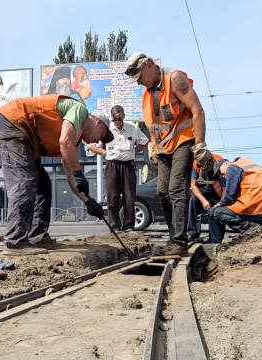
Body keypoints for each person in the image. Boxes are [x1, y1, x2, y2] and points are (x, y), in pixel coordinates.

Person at [0, 94, 114, 255]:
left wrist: (88, 201)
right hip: (13, 123)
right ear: (99, 123)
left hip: (26, 137)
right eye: (101, 136)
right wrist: (79, 173)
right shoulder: (80, 110)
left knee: (43, 185)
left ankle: (37, 237)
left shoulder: (75, 140)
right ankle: (15, 242)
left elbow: (71, 176)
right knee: (24, 181)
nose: (97, 142)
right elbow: (64, 142)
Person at [124, 52, 210, 255]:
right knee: (162, 192)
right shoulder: (147, 91)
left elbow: (197, 111)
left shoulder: (175, 79)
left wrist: (200, 145)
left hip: (183, 142)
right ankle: (174, 238)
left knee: (176, 189)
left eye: (139, 77)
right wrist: (153, 147)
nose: (138, 84)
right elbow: (154, 125)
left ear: (149, 66)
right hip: (163, 147)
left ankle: (179, 243)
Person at [87, 105, 148, 232]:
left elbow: (144, 142)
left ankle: (129, 226)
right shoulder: (106, 128)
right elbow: (91, 146)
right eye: (115, 119)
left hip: (127, 165)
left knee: (129, 197)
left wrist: (133, 151)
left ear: (124, 117)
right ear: (112, 119)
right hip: (111, 165)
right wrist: (105, 153)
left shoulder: (132, 127)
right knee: (112, 196)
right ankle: (114, 226)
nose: (118, 122)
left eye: (120, 119)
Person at [207, 158, 262, 243]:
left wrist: (215, 206)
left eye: (220, 172)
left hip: (256, 210)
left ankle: (251, 227)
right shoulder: (247, 165)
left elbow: (228, 197)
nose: (222, 176)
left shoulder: (232, 168)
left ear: (226, 163)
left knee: (217, 212)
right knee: (229, 209)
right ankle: (257, 225)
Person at [187, 154, 225, 241]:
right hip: (202, 190)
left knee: (217, 210)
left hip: (217, 192)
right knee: (193, 200)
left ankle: (215, 239)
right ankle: (192, 233)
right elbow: (193, 185)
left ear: (212, 164)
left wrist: (221, 203)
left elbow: (225, 187)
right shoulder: (196, 164)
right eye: (202, 169)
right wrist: (203, 200)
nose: (205, 170)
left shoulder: (220, 163)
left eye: (206, 168)